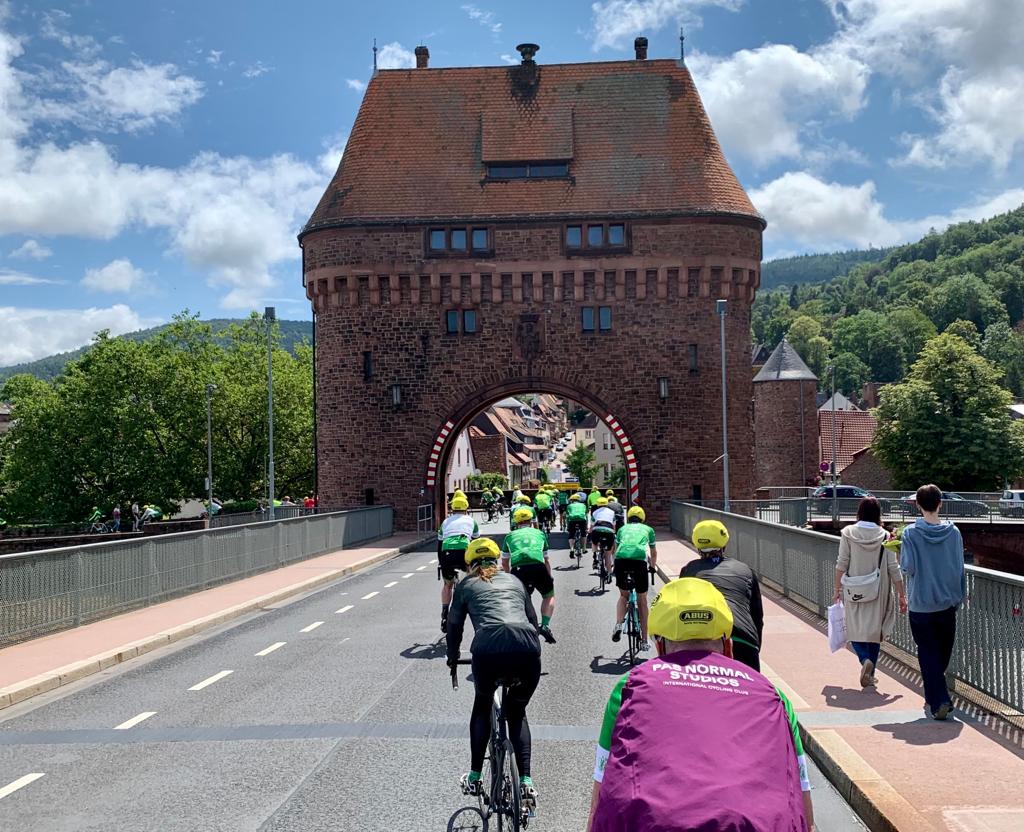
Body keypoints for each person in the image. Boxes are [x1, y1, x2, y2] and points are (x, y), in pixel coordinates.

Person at [588, 578, 814, 832]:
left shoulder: (631, 686)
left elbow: (602, 792)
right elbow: (803, 798)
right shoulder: (773, 694)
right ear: (728, 646)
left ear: (660, 646)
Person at [447, 537, 542, 810]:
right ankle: (525, 781)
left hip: (488, 650)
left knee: (482, 705)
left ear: (470, 564)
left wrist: (452, 657)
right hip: (526, 649)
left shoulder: (466, 585)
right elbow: (532, 622)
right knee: (517, 712)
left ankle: (475, 776)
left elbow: (455, 626)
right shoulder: (514, 581)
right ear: (498, 561)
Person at [900, 484, 966, 720]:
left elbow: (908, 568)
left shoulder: (910, 534)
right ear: (940, 503)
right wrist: (960, 595)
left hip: (921, 603)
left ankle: (937, 698)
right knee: (942, 653)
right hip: (947, 602)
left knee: (927, 652)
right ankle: (939, 699)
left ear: (918, 505)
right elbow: (959, 567)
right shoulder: (954, 533)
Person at [832, 497, 907, 688]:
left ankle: (864, 659)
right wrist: (901, 594)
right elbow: (893, 567)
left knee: (854, 628)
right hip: (879, 589)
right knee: (875, 631)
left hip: (853, 588)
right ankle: (870, 670)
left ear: (859, 512)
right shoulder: (885, 536)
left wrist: (836, 589)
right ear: (878, 514)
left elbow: (842, 563)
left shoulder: (848, 533)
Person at [680, 519, 765, 671]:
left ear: (697, 545)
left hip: (706, 642)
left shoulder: (688, 571)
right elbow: (757, 616)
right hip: (743, 641)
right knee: (751, 693)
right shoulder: (745, 570)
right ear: (724, 544)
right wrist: (755, 646)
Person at [502, 508, 556, 643]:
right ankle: (545, 625)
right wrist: (549, 575)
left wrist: (509, 578)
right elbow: (546, 559)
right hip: (538, 567)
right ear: (531, 521)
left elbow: (504, 561)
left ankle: (524, 626)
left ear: (516, 522)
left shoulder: (509, 536)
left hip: (519, 569)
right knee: (549, 595)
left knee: (522, 598)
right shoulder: (540, 533)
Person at [610, 506, 657, 651]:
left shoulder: (622, 529)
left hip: (621, 560)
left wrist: (614, 566)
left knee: (623, 595)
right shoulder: (648, 529)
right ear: (642, 518)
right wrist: (652, 566)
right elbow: (653, 553)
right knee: (642, 600)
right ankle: (644, 640)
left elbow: (614, 549)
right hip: (638, 562)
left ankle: (618, 624)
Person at [437, 495, 479, 633]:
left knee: (447, 585)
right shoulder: (471, 521)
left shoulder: (445, 522)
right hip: (464, 551)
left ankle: (444, 612)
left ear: (452, 508)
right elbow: (475, 542)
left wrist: (441, 562)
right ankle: (473, 602)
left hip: (447, 552)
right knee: (472, 578)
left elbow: (440, 544)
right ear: (466, 508)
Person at [590, 496, 617, 566]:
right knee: (610, 547)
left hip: (597, 530)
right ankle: (610, 564)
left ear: (597, 504)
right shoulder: (612, 512)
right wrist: (614, 532)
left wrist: (590, 532)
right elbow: (614, 524)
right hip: (609, 530)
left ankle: (595, 557)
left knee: (594, 543)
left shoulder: (595, 512)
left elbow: (592, 525)